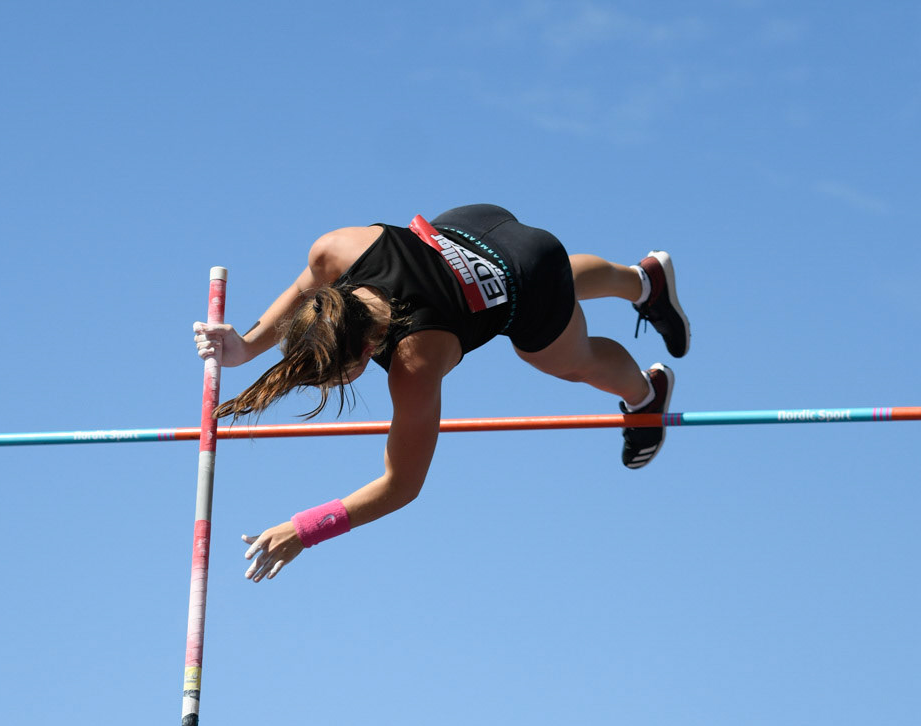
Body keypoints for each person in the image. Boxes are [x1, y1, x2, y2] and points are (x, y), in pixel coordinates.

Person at [192, 205, 691, 583]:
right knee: (540, 270)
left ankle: (645, 395)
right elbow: (309, 287)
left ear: (367, 350)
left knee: (564, 357)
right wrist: (246, 346)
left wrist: (307, 528)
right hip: (479, 226)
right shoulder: (336, 250)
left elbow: (401, 485)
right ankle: (641, 280)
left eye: (340, 376)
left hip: (529, 282)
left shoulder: (415, 361)